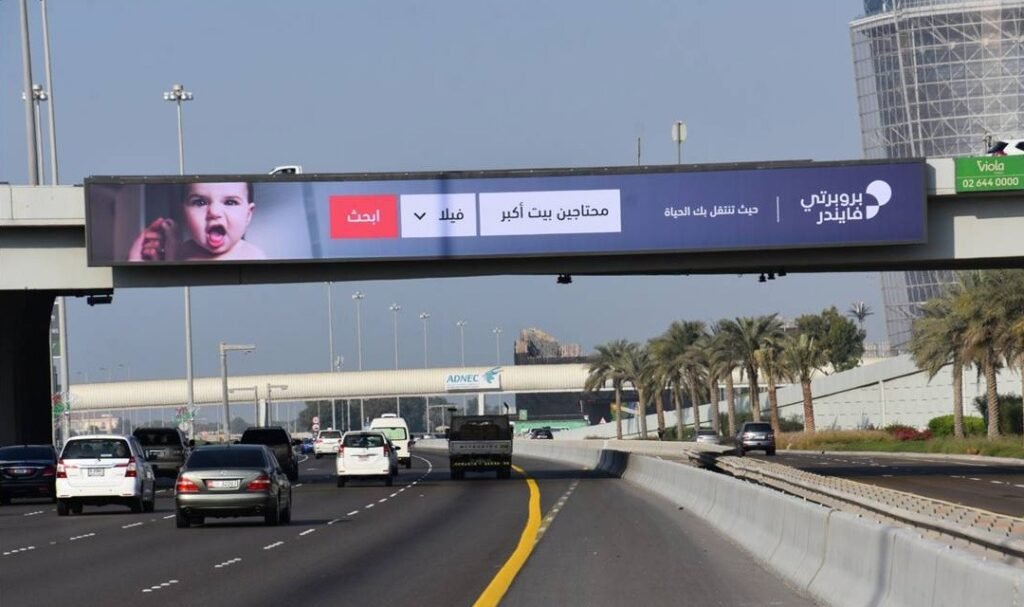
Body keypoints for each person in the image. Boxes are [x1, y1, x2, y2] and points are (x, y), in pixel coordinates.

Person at [127, 182, 266, 261]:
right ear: (184, 214)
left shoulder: (253, 256)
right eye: (199, 202)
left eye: (230, 202)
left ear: (248, 215)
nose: (214, 212)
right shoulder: (181, 253)